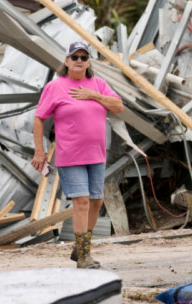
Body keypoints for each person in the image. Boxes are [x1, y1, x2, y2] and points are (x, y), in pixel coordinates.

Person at [31, 42, 124, 269]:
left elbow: (119, 106)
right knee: (81, 201)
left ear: (89, 61)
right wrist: (39, 151)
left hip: (97, 155)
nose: (79, 61)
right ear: (66, 61)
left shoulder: (99, 84)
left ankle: (80, 247)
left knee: (96, 201)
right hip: (70, 155)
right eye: (74, 57)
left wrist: (93, 95)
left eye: (83, 57)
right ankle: (84, 256)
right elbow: (39, 118)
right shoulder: (55, 87)